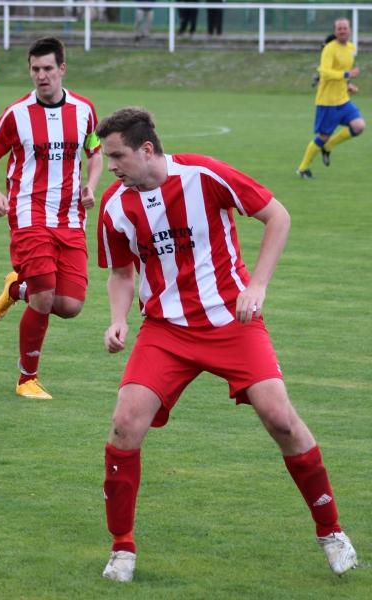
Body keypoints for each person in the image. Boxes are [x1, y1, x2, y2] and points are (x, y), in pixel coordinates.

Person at [95, 107, 358, 582]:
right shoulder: (115, 205)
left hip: (232, 323)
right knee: (124, 425)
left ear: (147, 149)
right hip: (165, 332)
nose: (109, 166)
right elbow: (120, 273)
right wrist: (118, 319)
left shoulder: (204, 174)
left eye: (117, 156)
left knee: (281, 419)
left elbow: (277, 215)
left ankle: (332, 532)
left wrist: (257, 285)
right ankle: (122, 550)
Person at [0, 37, 103, 400]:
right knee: (44, 298)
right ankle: (26, 379)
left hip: (70, 217)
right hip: (28, 213)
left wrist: (91, 186)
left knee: (70, 306)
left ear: (62, 69)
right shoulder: (16, 114)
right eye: (35, 69)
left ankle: (15, 288)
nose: (41, 75)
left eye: (48, 68)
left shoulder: (84, 110)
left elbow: (94, 152)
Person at [297, 18, 365, 179]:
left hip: (343, 99)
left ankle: (328, 146)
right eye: (339, 28)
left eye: (345, 28)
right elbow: (325, 72)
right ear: (335, 32)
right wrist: (347, 74)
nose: (342, 31)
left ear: (350, 30)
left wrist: (348, 84)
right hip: (327, 101)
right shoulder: (329, 49)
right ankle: (303, 168)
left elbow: (342, 70)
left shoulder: (351, 48)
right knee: (323, 136)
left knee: (359, 126)